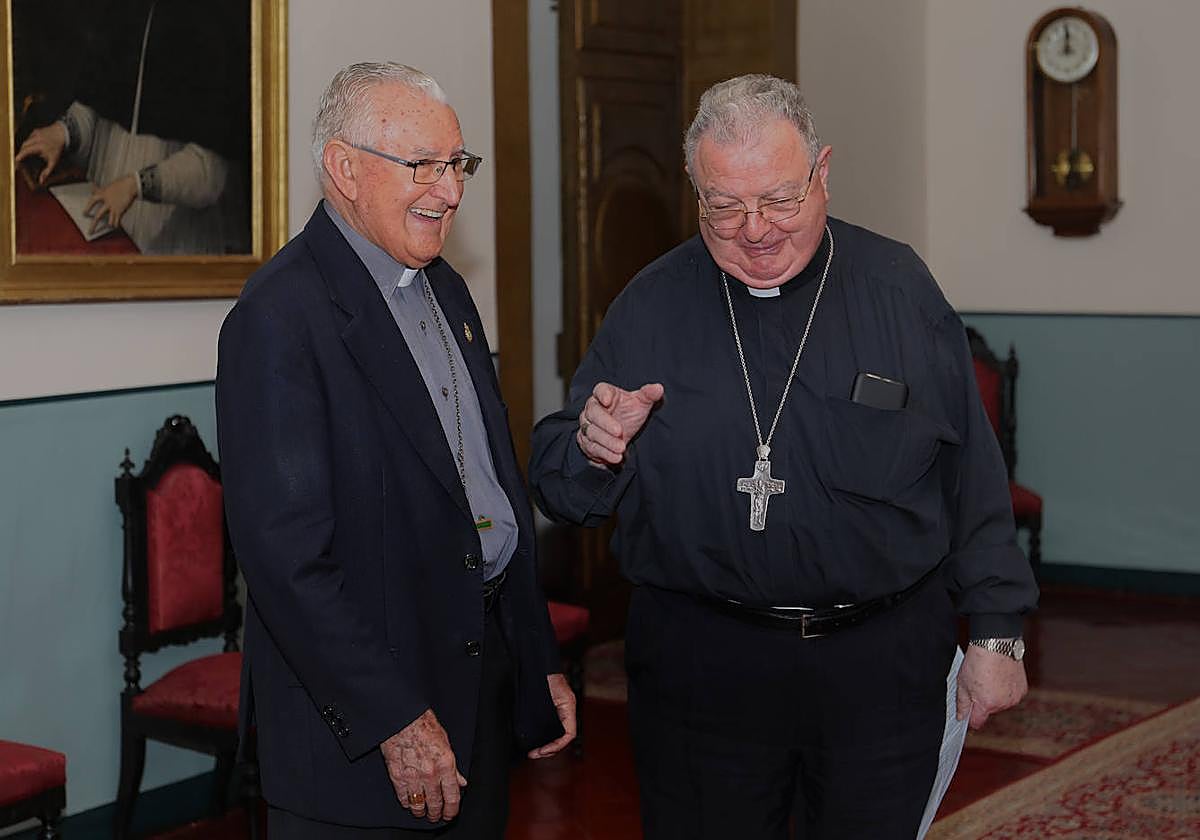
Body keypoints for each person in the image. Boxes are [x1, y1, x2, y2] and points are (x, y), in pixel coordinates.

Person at [528, 74, 1037, 840]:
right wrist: (591, 449)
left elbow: (973, 474)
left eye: (779, 200)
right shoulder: (649, 305)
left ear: (822, 172)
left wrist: (997, 632)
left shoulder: (898, 290)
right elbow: (561, 485)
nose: (755, 229)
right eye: (724, 206)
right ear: (695, 192)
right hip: (703, 675)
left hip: (879, 668)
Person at [215, 62, 575, 838]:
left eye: (457, 164)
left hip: (473, 693)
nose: (449, 191)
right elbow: (286, 563)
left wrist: (536, 652)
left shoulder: (445, 287)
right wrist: (397, 721)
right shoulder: (278, 318)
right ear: (344, 169)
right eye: (423, 166)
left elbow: (491, 485)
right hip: (366, 732)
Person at [13, 0, 249, 254]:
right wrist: (62, 133)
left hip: (172, 231)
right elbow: (96, 109)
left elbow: (211, 172)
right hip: (102, 211)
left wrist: (136, 185)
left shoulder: (212, 20)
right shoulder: (124, 8)